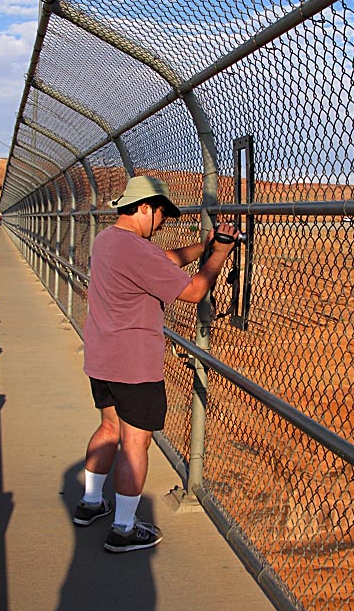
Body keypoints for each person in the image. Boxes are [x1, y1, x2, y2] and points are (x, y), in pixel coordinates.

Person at [73, 175, 239, 553]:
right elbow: (194, 291)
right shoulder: (138, 250)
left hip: (101, 357)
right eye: (162, 214)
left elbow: (163, 262)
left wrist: (204, 245)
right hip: (134, 364)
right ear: (145, 207)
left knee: (109, 427)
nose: (163, 222)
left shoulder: (108, 240)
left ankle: (91, 502)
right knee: (135, 445)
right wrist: (220, 254)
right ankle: (124, 527)